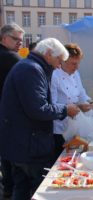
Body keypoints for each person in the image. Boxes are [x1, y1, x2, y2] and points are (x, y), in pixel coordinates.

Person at [0, 38, 80, 200]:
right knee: (40, 191)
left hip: (22, 143)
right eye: (59, 60)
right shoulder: (32, 70)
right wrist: (65, 109)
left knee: (21, 188)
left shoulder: (29, 67)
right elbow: (38, 109)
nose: (59, 65)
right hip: (30, 145)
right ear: (49, 53)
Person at [51, 43, 93, 161]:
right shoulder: (54, 76)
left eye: (78, 63)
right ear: (63, 61)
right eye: (73, 64)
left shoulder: (76, 73)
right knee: (62, 158)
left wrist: (90, 102)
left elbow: (81, 93)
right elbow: (52, 104)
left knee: (78, 155)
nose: (76, 67)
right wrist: (78, 106)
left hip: (76, 124)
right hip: (60, 128)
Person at [0, 23, 24, 199]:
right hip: (9, 115)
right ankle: (11, 187)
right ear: (4, 38)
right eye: (16, 39)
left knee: (4, 153)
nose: (20, 43)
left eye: (21, 40)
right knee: (12, 155)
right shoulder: (11, 58)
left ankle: (7, 187)